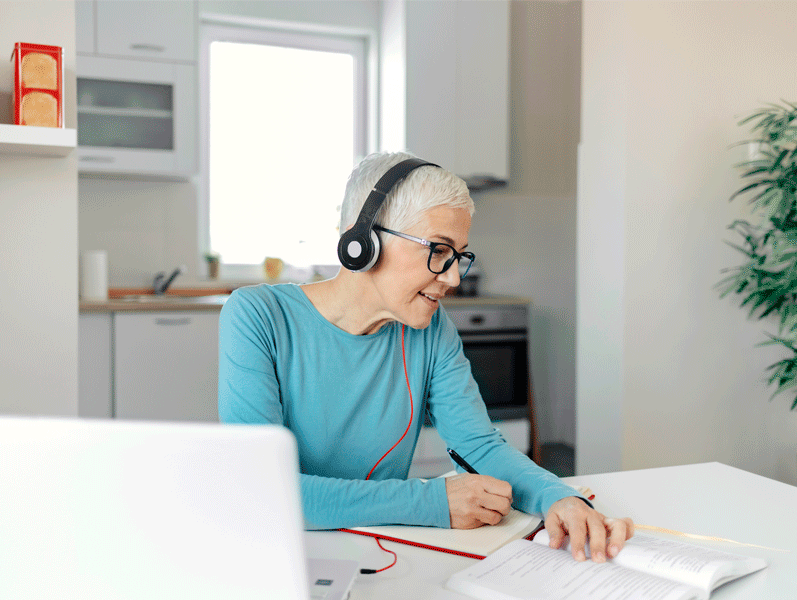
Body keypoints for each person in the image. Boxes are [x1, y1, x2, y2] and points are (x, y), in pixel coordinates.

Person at [218, 151, 634, 563]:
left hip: (380, 551)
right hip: (276, 554)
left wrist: (559, 497)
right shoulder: (257, 316)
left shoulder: (430, 328)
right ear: (361, 242)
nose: (452, 277)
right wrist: (430, 501)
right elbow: (264, 489)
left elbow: (479, 446)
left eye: (459, 256)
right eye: (439, 249)